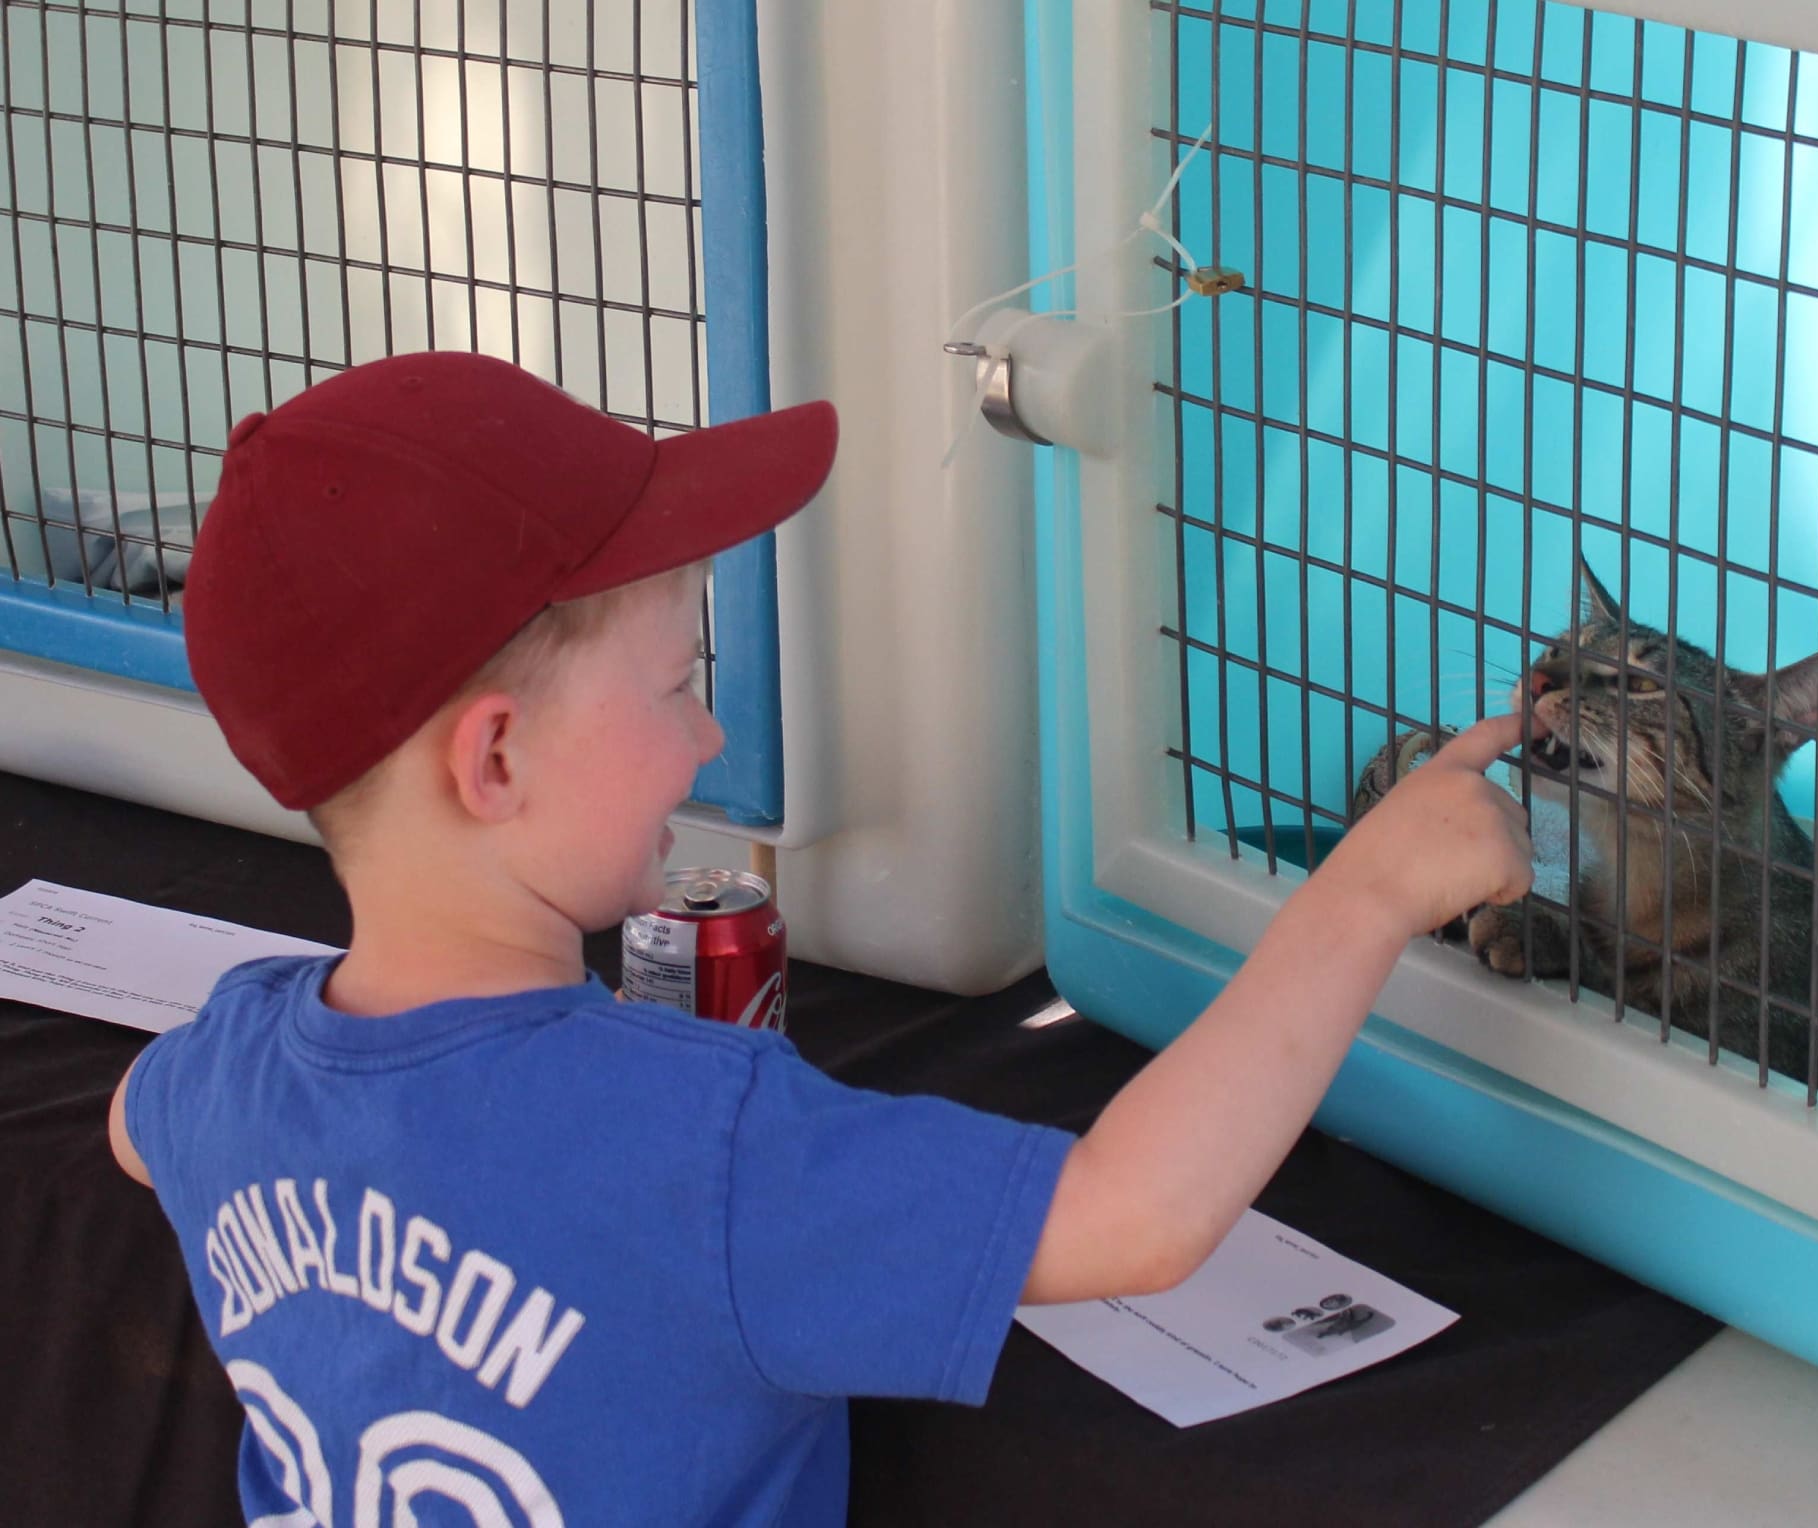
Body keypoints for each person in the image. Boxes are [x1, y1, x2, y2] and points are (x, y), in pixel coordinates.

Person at [107, 350, 1534, 1525]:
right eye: (675, 684)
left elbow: (132, 1122)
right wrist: (1365, 893)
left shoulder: (227, 1071)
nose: (709, 734)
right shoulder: (691, 1141)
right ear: (493, 766)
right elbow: (1132, 1217)